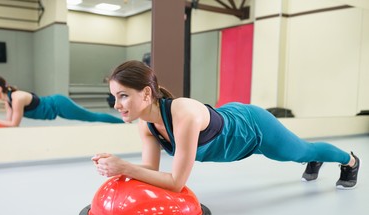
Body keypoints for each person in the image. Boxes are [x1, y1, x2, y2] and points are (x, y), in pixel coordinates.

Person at [92, 60, 360, 192]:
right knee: (302, 153)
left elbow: (175, 183)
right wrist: (116, 165)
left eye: (123, 95)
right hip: (229, 126)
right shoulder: (147, 125)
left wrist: (124, 168)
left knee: (302, 151)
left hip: (253, 129)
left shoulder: (182, 114)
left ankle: (349, 161)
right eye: (114, 97)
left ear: (147, 94)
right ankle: (315, 160)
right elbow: (151, 170)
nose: (117, 105)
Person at [0, 75, 124, 127]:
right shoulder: (8, 101)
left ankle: (123, 123)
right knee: (91, 117)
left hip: (58, 104)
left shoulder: (16, 98)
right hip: (56, 108)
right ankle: (123, 123)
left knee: (91, 117)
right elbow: (8, 123)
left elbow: (13, 124)